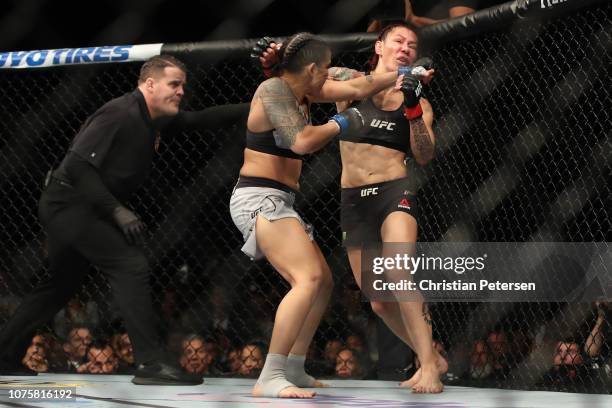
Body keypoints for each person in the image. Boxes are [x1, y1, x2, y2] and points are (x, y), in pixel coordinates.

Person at [0, 54, 249, 385]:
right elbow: (77, 166)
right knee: (129, 265)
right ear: (149, 84)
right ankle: (149, 363)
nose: (180, 92)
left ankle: (4, 355)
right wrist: (116, 210)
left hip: (76, 206)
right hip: (69, 204)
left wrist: (256, 104)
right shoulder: (120, 112)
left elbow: (200, 119)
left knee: (59, 286)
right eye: (174, 84)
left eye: (183, 86)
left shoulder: (154, 117)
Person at [255, 22, 446, 393]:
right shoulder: (349, 81)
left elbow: (424, 154)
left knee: (399, 272)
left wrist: (409, 104)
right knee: (378, 302)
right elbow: (309, 82)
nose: (406, 47)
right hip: (354, 199)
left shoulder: (420, 101)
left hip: (395, 192)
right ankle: (432, 355)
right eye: (399, 41)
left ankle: (429, 368)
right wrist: (281, 60)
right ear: (379, 45)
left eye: (412, 44)